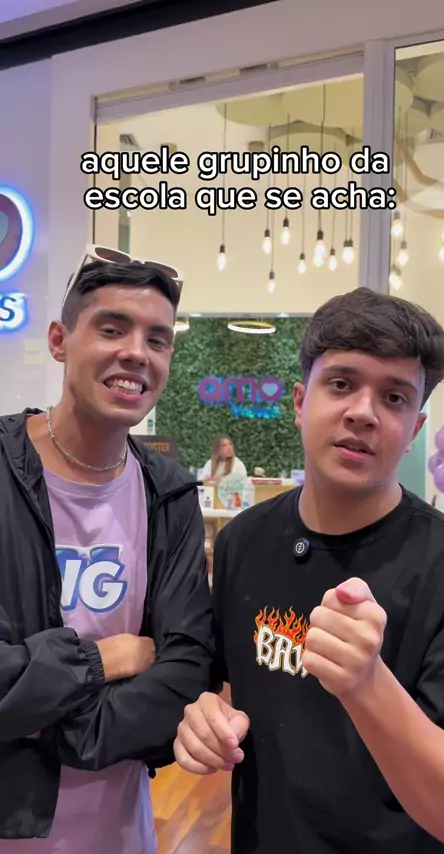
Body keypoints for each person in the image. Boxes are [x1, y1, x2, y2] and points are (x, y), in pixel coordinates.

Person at [174, 287, 444, 854]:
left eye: (394, 397)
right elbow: (229, 687)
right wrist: (207, 718)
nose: (363, 412)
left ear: (415, 429)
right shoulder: (244, 541)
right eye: (341, 384)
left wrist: (368, 685)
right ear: (299, 401)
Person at [0, 250, 215, 852]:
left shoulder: (169, 492)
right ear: (59, 340)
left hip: (119, 833)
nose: (137, 353)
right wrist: (102, 661)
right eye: (112, 329)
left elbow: (186, 666)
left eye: (158, 339)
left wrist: (39, 723)